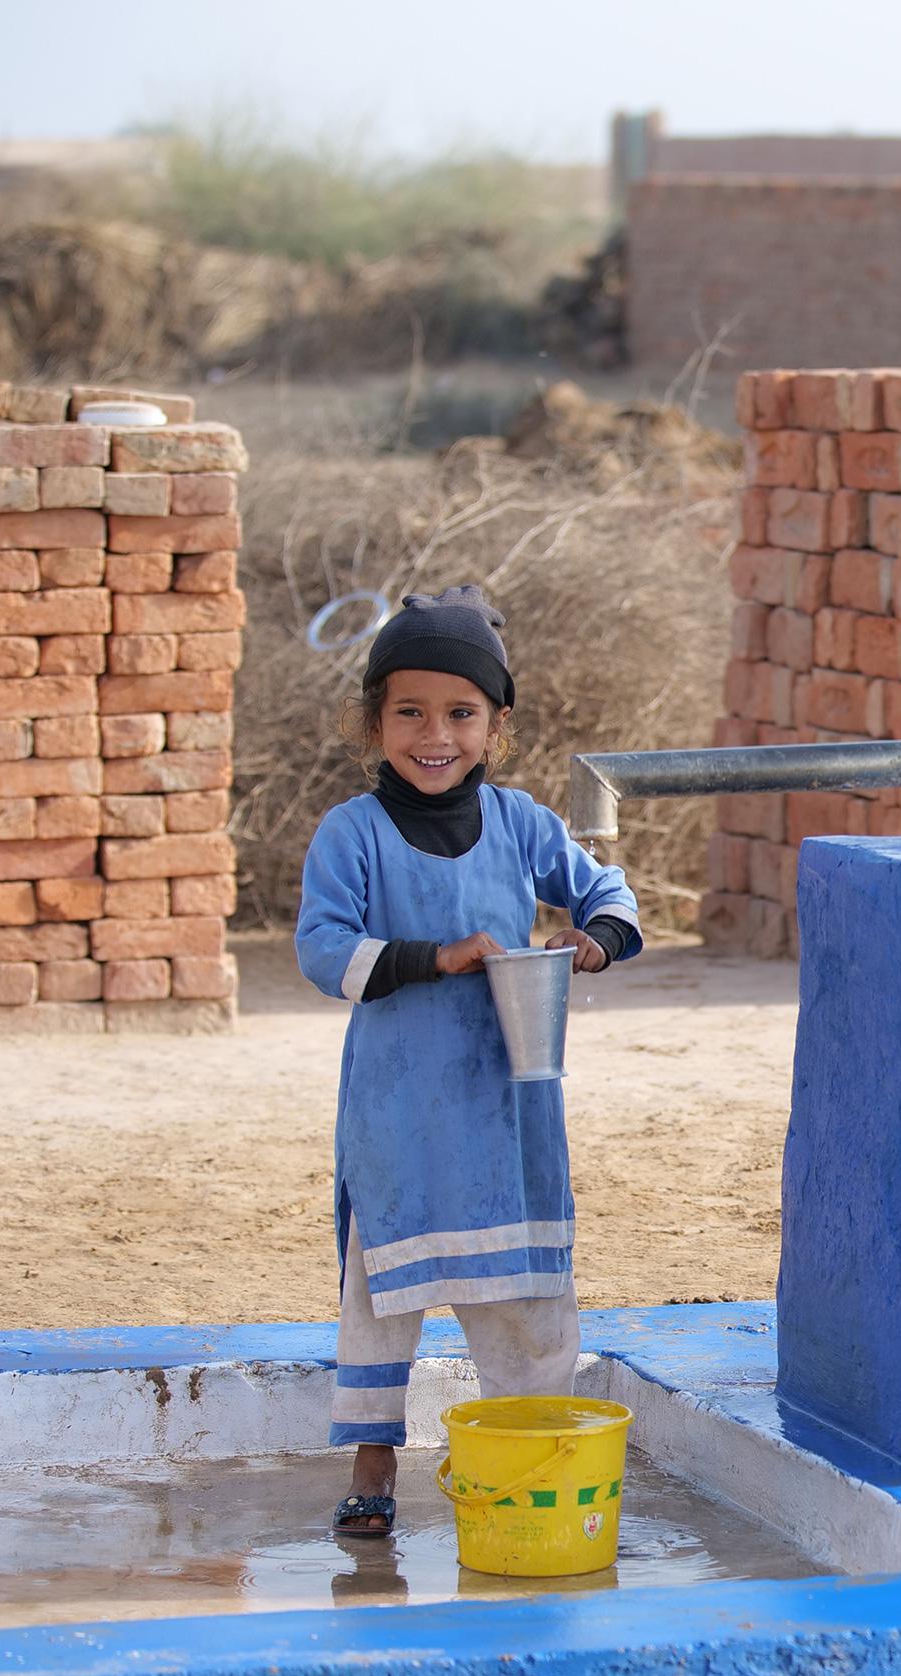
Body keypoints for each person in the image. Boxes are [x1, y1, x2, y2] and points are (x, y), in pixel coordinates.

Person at [293, 586, 642, 1535]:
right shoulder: (350, 834)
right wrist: (433, 957)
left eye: (459, 713)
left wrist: (596, 939)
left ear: (497, 729)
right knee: (383, 1287)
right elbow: (323, 949)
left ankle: (530, 1451)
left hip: (508, 1106)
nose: (433, 733)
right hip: (398, 1110)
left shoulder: (525, 825)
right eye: (408, 711)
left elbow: (607, 890)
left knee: (526, 1291)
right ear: (374, 723)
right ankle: (373, 1464)